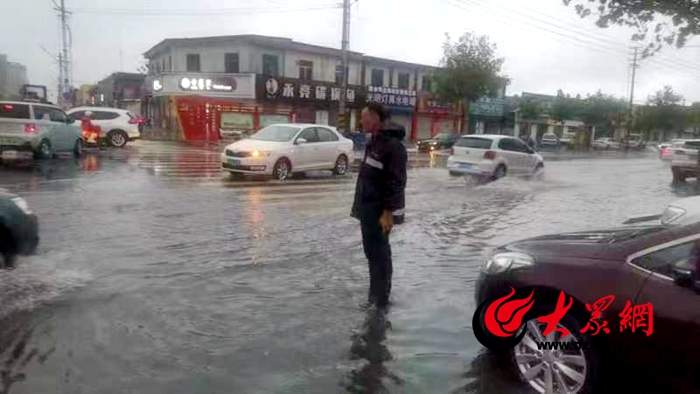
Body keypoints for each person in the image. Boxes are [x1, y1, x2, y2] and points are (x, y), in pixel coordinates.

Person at [351, 103, 407, 308]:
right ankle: (374, 297)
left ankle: (381, 301)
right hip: (368, 208)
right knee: (372, 254)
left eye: (364, 117)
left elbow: (396, 182)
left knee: (380, 255)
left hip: (380, 211)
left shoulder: (392, 146)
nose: (361, 121)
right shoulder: (374, 141)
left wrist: (388, 212)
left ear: (375, 118)